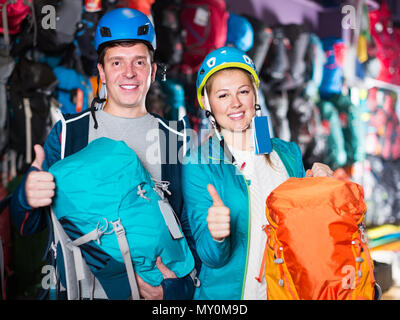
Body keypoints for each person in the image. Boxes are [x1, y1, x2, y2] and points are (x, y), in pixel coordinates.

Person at [9, 8, 194, 300]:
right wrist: (27, 197)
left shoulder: (174, 139)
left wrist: (174, 292)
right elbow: (28, 225)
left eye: (139, 62)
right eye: (117, 62)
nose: (129, 73)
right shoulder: (70, 134)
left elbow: (189, 232)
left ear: (153, 70)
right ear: (102, 71)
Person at [180, 46, 333, 300]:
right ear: (207, 104)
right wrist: (217, 235)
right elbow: (211, 258)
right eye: (222, 96)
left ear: (254, 95)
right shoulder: (198, 164)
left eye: (243, 91)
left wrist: (322, 191)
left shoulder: (288, 153)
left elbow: (307, 234)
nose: (235, 103)